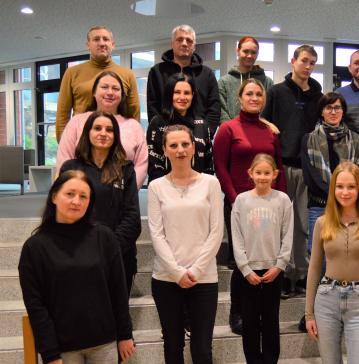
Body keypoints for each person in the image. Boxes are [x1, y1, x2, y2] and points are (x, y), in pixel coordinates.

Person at [19, 170, 135, 363]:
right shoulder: (35, 247)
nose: (76, 201)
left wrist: (125, 334)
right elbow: (36, 305)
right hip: (63, 349)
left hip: (104, 343)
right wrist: (50, 354)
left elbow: (118, 291)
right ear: (55, 196)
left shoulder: (104, 237)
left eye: (83, 196)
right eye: (70, 194)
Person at [214, 78, 287, 335]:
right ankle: (239, 313)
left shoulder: (271, 131)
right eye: (249, 94)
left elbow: (279, 167)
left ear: (263, 99)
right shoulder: (228, 129)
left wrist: (282, 201)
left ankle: (264, 313)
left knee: (266, 258)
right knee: (241, 261)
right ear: (240, 98)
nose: (254, 98)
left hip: (269, 205)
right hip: (238, 205)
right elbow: (220, 167)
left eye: (258, 94)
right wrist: (235, 199)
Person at [148, 124, 223, 364]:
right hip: (167, 278)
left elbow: (216, 231)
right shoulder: (156, 187)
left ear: (193, 148)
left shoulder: (210, 183)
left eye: (185, 144)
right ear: (165, 150)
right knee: (173, 346)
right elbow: (156, 234)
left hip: (204, 278)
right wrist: (177, 272)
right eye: (173, 145)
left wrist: (196, 270)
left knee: (202, 350)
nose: (180, 150)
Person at [305, 161, 359, 364]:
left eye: (351, 186)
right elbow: (314, 268)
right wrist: (309, 314)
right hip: (327, 299)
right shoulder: (322, 223)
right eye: (340, 186)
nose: (345, 192)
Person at [262, 45, 323, 299]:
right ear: (293, 61)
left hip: (306, 167)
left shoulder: (318, 97)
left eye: (312, 63)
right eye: (304, 61)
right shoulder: (276, 92)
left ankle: (300, 273)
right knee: (281, 223)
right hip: (282, 167)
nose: (307, 66)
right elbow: (263, 120)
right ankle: (284, 274)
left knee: (302, 226)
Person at [59, 111, 141, 294]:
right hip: (78, 256)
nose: (103, 133)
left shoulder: (125, 169)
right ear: (88, 132)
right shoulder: (70, 168)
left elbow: (132, 218)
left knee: (116, 318)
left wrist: (109, 250)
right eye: (97, 128)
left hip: (118, 257)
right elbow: (63, 214)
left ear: (115, 136)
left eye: (109, 130)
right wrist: (87, 251)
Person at [231, 153, 294, 364]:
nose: (263, 177)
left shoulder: (282, 200)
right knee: (249, 322)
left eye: (267, 173)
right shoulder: (241, 201)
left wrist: (280, 265)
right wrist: (245, 269)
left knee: (270, 320)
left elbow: (287, 235)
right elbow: (237, 237)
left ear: (275, 174)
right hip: (248, 272)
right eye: (259, 172)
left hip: (273, 270)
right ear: (251, 173)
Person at [57, 70, 148, 188]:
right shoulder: (76, 122)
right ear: (94, 92)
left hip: (121, 196)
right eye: (104, 87)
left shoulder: (133, 126)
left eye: (116, 89)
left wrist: (127, 192)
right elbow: (65, 159)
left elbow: (141, 165)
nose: (110, 92)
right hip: (81, 196)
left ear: (122, 95)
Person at [302, 91, 359, 256]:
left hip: (347, 205)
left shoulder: (356, 140)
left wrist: (342, 196)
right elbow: (310, 177)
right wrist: (334, 194)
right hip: (319, 205)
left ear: (343, 111)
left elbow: (357, 175)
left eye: (338, 108)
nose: (333, 112)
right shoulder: (309, 138)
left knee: (344, 251)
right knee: (316, 252)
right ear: (321, 111)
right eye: (329, 108)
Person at [56, 26, 139, 141]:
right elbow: (62, 114)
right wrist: (64, 144)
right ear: (88, 45)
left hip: (117, 140)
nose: (101, 43)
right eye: (96, 39)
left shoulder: (127, 74)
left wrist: (133, 141)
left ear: (112, 44)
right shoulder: (72, 73)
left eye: (106, 39)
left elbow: (134, 113)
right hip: (81, 140)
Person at [147, 24, 221, 133]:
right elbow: (152, 107)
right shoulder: (157, 72)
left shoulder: (207, 74)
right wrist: (163, 135)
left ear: (194, 46)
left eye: (189, 40)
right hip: (166, 140)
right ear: (172, 44)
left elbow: (214, 109)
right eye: (180, 39)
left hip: (199, 139)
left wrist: (204, 135)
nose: (184, 43)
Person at [147, 73, 213, 182]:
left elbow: (209, 165)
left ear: (193, 95)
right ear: (169, 94)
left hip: (198, 191)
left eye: (187, 93)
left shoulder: (202, 124)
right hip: (166, 191)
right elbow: (154, 165)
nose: (182, 97)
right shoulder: (157, 123)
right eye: (177, 92)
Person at [218, 36, 274, 123]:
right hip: (233, 134)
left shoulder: (267, 82)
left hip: (260, 132)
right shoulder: (224, 82)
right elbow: (221, 111)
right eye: (245, 51)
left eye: (253, 52)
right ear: (237, 51)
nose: (249, 56)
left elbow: (271, 110)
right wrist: (233, 130)